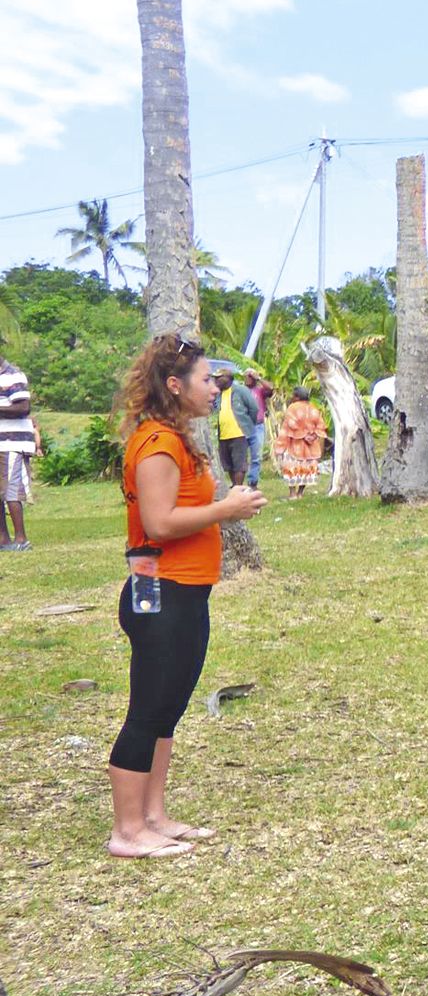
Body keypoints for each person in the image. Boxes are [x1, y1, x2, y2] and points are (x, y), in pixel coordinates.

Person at [108, 334, 268, 858]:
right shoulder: (157, 443)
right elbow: (159, 523)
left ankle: (153, 815)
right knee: (147, 710)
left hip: (186, 591)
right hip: (161, 590)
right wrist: (227, 509)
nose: (214, 387)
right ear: (175, 385)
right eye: (206, 379)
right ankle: (127, 830)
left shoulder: (177, 439)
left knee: (167, 710)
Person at [0, 353, 34, 551]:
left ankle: (21, 539)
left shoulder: (12, 375)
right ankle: (3, 539)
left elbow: (23, 407)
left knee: (12, 491)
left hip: (12, 442)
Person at [272, 387, 327, 500]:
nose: (292, 397)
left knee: (291, 468)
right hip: (310, 447)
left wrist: (280, 446)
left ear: (297, 397)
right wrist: (311, 435)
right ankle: (300, 493)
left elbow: (289, 425)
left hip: (295, 444)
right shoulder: (313, 408)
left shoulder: (292, 408)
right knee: (306, 469)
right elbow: (321, 425)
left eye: (293, 395)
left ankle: (292, 494)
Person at [213, 367, 260, 486]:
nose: (216, 381)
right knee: (228, 464)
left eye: (218, 378)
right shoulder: (218, 394)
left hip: (239, 433)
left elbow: (253, 408)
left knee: (239, 463)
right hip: (223, 434)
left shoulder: (240, 390)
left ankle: (238, 486)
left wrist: (248, 424)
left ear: (227, 378)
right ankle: (234, 485)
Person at [242, 368, 272, 486]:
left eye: (251, 376)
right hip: (243, 426)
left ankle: (253, 482)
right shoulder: (240, 390)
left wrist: (258, 378)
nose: (248, 378)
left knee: (256, 455)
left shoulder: (260, 390)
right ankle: (239, 482)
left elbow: (270, 388)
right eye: (247, 376)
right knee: (241, 455)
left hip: (258, 426)